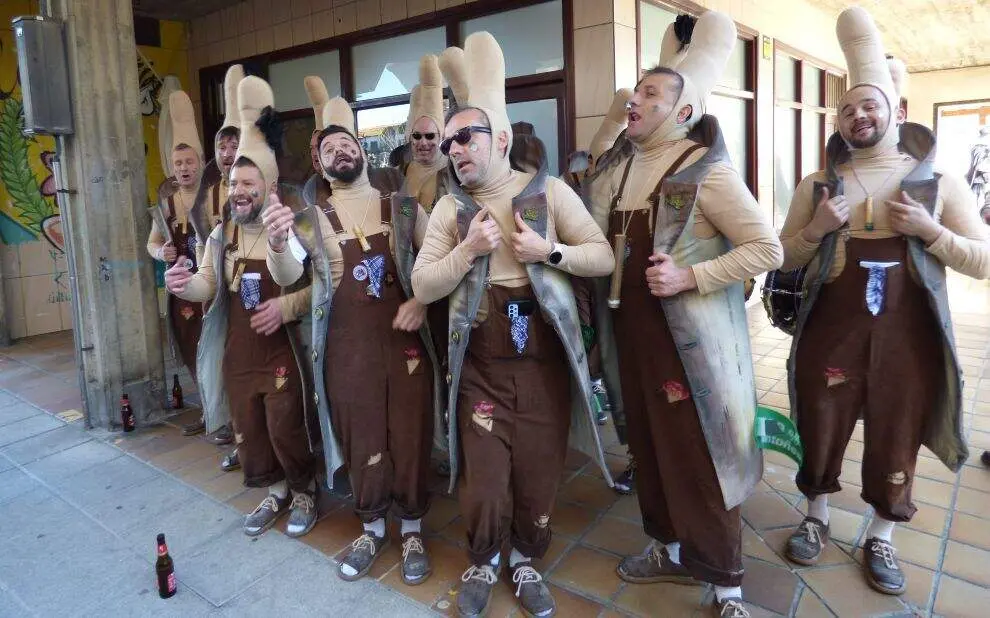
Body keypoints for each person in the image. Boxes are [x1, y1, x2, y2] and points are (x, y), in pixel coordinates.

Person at [777, 6, 990, 596]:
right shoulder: (816, 185)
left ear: (896, 111)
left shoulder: (937, 183)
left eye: (869, 105)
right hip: (832, 327)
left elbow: (984, 258)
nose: (857, 116)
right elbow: (782, 257)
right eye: (846, 109)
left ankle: (880, 535)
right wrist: (817, 228)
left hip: (907, 332)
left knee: (896, 429)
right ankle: (816, 517)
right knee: (821, 420)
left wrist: (930, 231)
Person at [585, 12, 783, 617]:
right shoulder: (618, 172)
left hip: (687, 348)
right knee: (647, 448)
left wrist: (690, 276)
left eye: (651, 94)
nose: (634, 101)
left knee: (700, 457)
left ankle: (727, 587)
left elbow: (767, 248)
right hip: (632, 342)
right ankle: (665, 548)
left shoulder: (708, 172)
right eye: (637, 90)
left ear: (685, 112)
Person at [412, 32, 614, 618]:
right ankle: (481, 560)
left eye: (465, 138)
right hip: (481, 364)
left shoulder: (548, 194)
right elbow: (425, 286)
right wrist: (469, 250)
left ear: (501, 139)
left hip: (544, 361)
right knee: (485, 480)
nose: (454, 150)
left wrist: (550, 253)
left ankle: (524, 561)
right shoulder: (452, 210)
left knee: (538, 472)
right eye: (448, 142)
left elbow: (601, 257)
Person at [265, 94, 441, 585]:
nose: (339, 152)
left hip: (405, 347)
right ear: (320, 167)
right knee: (361, 437)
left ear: (362, 151)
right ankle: (370, 527)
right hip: (346, 350)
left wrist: (423, 301)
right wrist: (277, 243)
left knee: (409, 437)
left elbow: (435, 267)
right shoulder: (308, 218)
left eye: (346, 143)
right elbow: (288, 273)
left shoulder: (403, 206)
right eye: (327, 150)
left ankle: (410, 530)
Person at [164, 76, 319, 538]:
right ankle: (273, 492)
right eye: (234, 182)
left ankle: (304, 490)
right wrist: (182, 285)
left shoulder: (295, 224)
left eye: (249, 182)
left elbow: (311, 286)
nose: (239, 191)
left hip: (283, 352)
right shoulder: (221, 233)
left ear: (269, 184)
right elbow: (208, 284)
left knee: (286, 426)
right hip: (239, 353)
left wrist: (286, 306)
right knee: (249, 429)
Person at [147, 90, 207, 436]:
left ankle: (227, 415)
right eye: (178, 164)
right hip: (182, 292)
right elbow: (151, 243)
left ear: (200, 163)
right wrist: (161, 253)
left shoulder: (216, 197)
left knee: (217, 352)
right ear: (172, 168)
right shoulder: (166, 206)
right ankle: (209, 412)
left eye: (190, 162)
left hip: (213, 287)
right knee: (191, 352)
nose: (184, 168)